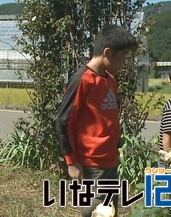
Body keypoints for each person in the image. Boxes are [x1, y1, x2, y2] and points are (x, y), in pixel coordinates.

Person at [56, 24, 138, 217]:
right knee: (94, 213)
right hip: (91, 166)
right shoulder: (82, 80)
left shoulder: (110, 80)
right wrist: (71, 162)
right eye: (124, 56)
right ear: (108, 53)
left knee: (111, 211)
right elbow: (63, 122)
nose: (124, 62)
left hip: (109, 162)